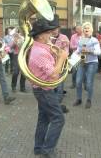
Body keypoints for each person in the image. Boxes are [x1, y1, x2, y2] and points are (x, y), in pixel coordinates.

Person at [28, 18, 67, 158]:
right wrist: (62, 57)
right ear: (41, 35)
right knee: (58, 119)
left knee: (43, 118)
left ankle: (38, 148)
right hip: (45, 90)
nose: (51, 34)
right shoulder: (40, 52)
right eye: (48, 32)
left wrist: (56, 55)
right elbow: (54, 74)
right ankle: (48, 150)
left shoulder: (41, 48)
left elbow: (50, 68)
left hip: (42, 89)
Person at [73, 22, 101, 109]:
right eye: (85, 28)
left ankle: (89, 99)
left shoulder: (94, 40)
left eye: (88, 28)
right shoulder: (81, 39)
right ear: (83, 30)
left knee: (89, 83)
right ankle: (79, 99)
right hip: (82, 62)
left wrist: (89, 50)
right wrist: (72, 57)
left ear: (91, 30)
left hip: (92, 63)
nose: (86, 29)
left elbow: (98, 52)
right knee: (78, 82)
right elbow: (77, 50)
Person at [49, 14, 70, 103]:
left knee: (60, 85)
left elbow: (66, 53)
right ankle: (54, 102)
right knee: (52, 84)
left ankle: (58, 103)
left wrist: (64, 47)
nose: (54, 31)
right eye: (52, 29)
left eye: (56, 29)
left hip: (60, 65)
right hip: (50, 65)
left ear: (58, 28)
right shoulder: (48, 38)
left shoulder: (64, 38)